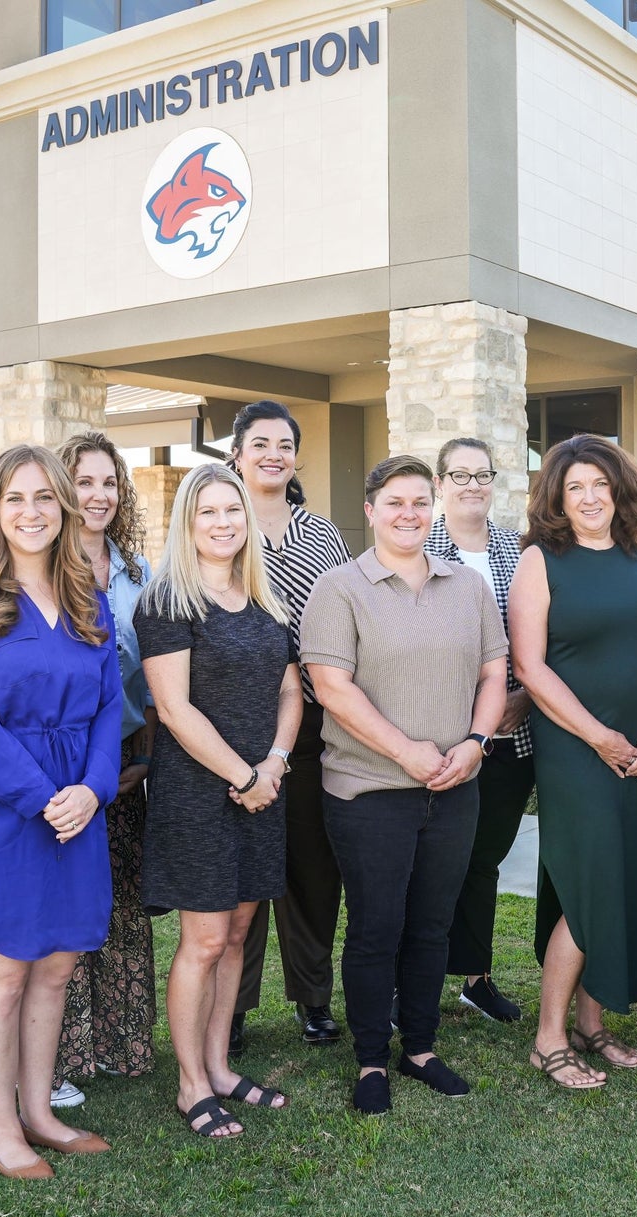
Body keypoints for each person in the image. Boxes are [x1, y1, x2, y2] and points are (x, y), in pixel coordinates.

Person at [0, 444, 123, 1180]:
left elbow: (110, 706)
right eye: (16, 499)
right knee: (4, 976)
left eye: (45, 497)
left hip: (77, 806)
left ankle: (42, 1112)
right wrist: (40, 797)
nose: (32, 512)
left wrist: (93, 787)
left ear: (65, 507)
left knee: (56, 971)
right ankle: (0, 1128)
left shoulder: (86, 594)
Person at [300, 455, 508, 1114]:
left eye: (421, 501)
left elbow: (494, 673)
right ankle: (369, 1061)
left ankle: (419, 1047)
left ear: (435, 507)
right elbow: (332, 687)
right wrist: (406, 752)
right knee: (376, 926)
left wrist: (475, 745)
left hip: (454, 787)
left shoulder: (468, 586)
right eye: (395, 502)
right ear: (370, 510)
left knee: (431, 926)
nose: (410, 514)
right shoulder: (340, 588)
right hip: (369, 790)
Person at [138, 463, 301, 1139]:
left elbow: (291, 691)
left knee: (237, 935)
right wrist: (244, 776)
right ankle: (190, 1084)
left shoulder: (266, 600)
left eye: (231, 511)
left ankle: (220, 1066)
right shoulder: (167, 603)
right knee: (203, 942)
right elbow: (174, 711)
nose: (223, 523)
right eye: (207, 512)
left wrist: (276, 762)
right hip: (200, 796)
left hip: (263, 787)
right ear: (187, 523)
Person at [512, 435, 637, 1090]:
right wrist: (599, 736)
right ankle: (548, 1037)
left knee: (628, 879)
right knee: (591, 886)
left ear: (619, 492)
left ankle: (592, 1022)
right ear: (556, 495)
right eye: (575, 486)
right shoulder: (539, 561)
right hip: (577, 752)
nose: (588, 498)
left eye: (600, 485)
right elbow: (530, 667)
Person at [230, 401, 353, 1053]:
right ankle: (234, 1006)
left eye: (284, 444)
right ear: (238, 454)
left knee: (312, 870)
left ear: (296, 457)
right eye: (260, 443)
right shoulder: (219, 521)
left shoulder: (323, 535)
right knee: (245, 873)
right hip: (236, 729)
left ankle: (313, 998)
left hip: (313, 726)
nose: (272, 454)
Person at [49, 431, 157, 1104]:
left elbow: (150, 680)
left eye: (109, 483)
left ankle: (120, 1044)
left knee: (117, 907)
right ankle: (56, 1057)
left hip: (123, 765)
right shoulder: (39, 570)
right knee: (58, 910)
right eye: (84, 482)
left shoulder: (137, 574)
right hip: (57, 770)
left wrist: (144, 760)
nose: (98, 495)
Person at [425, 437, 534, 1021]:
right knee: (432, 859)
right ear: (440, 483)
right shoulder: (418, 549)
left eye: (482, 475)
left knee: (484, 857)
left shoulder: (518, 554)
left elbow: (538, 640)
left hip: (510, 733)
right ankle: (410, 979)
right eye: (459, 475)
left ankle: (476, 976)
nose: (472, 485)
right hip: (437, 735)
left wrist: (521, 698)